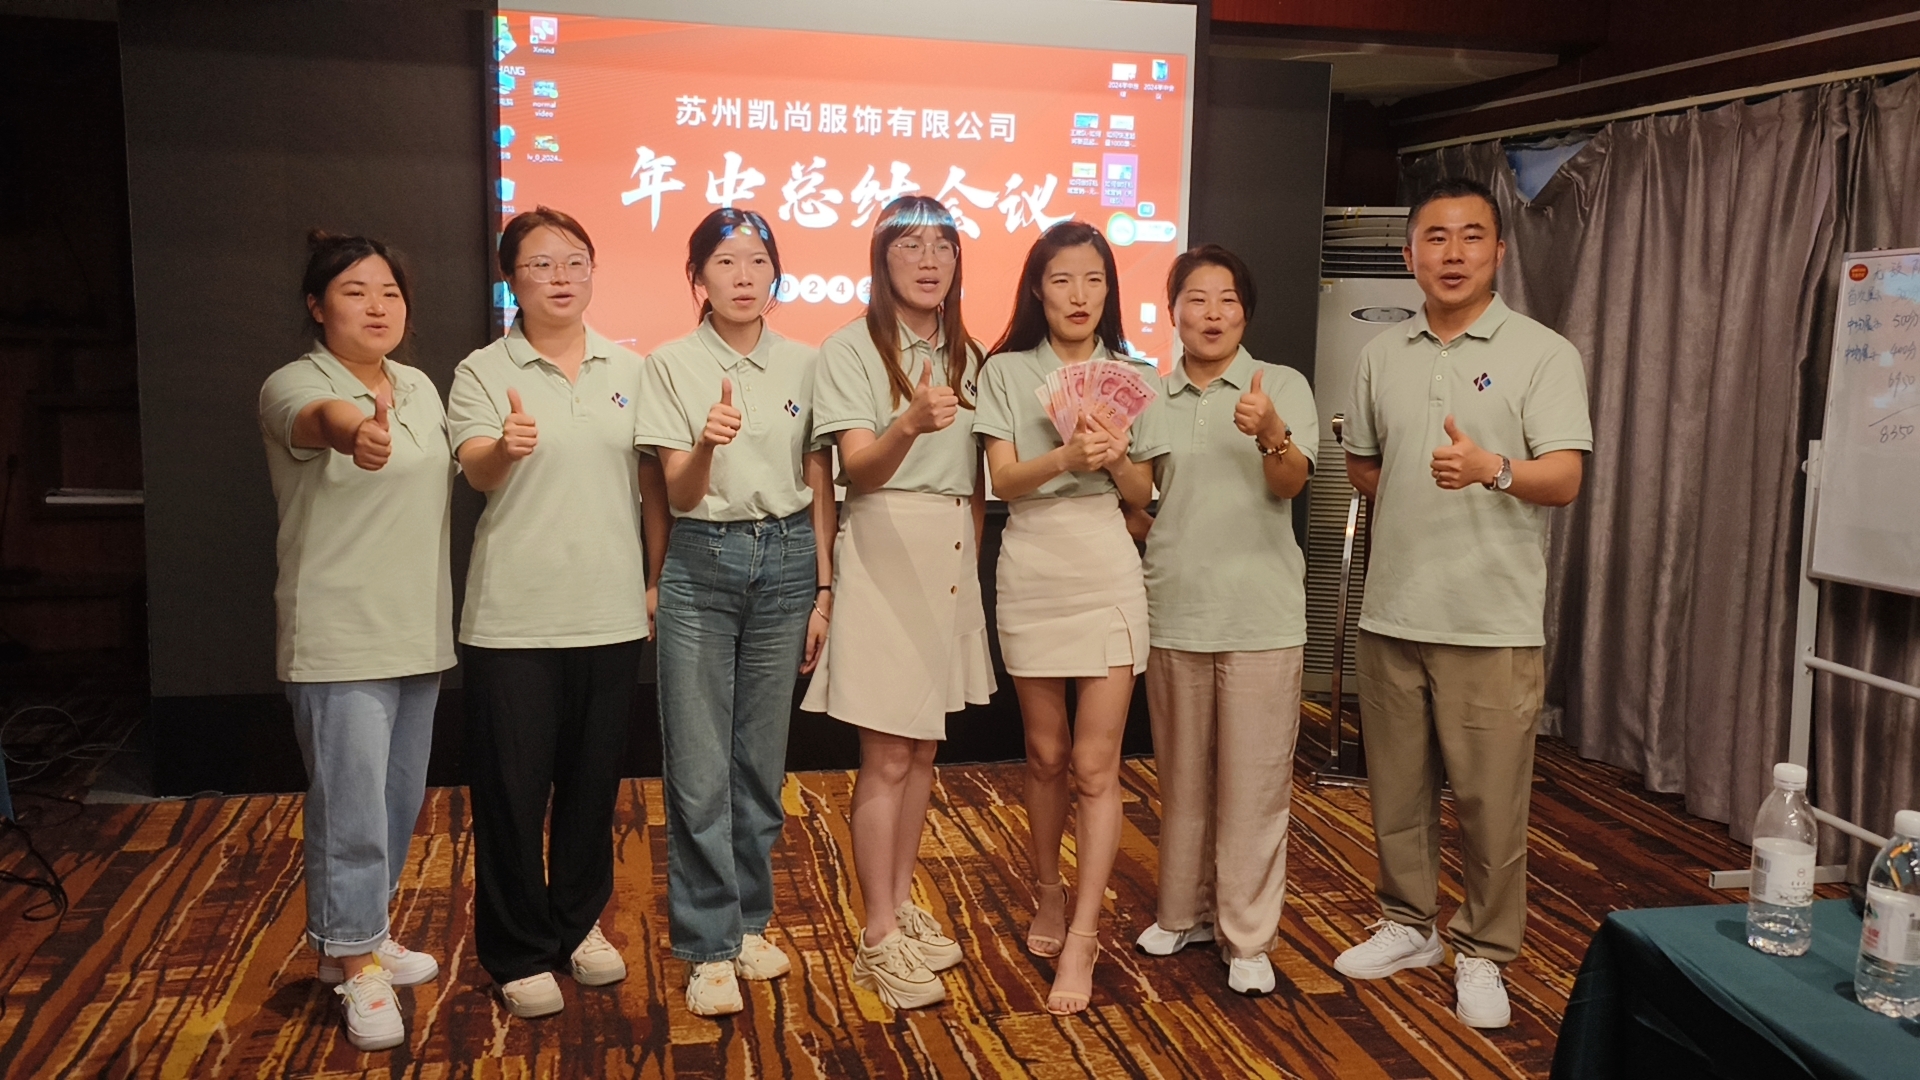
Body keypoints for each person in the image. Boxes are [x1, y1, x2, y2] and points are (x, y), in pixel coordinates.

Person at [1334, 177, 1591, 1029]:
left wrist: (1494, 470)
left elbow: (1565, 477)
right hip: (1392, 611)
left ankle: (1485, 950)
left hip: (1490, 620)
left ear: (1499, 252)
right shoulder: (1381, 353)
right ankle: (1409, 926)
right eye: (1435, 238)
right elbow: (1363, 463)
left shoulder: (1543, 353)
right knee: (1397, 792)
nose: (1453, 254)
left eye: (1471, 236)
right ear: (1410, 255)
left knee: (1490, 805)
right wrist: (1419, 494)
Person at [446, 206, 668, 1020]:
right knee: (511, 792)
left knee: (590, 786)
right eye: (540, 264)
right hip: (514, 618)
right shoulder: (482, 370)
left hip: (610, 612)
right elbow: (476, 470)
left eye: (575, 260)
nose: (561, 277)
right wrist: (504, 447)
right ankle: (516, 949)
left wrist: (654, 578)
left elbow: (652, 485)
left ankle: (578, 925)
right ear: (512, 278)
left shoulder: (631, 366)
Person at [634, 207, 835, 1019]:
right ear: (698, 278)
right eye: (725, 262)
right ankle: (708, 944)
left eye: (757, 262)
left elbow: (818, 478)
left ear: (775, 274)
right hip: (701, 562)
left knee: (759, 765)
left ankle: (748, 921)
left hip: (787, 561)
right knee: (698, 765)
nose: (744, 277)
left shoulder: (807, 363)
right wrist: (707, 444)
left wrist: (824, 588)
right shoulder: (670, 364)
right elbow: (676, 492)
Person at [799, 196, 996, 1010]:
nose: (928, 260)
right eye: (910, 245)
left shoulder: (970, 352)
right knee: (884, 755)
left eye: (942, 246)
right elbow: (859, 470)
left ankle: (901, 901)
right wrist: (910, 421)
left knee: (922, 751)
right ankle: (876, 935)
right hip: (884, 545)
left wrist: (971, 562)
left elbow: (977, 482)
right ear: (882, 260)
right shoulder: (849, 347)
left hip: (950, 550)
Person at [258, 230, 453, 1051]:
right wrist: (355, 434)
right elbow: (324, 422)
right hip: (340, 635)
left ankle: (363, 934)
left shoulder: (419, 386)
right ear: (317, 306)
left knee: (396, 802)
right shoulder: (296, 383)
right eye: (355, 292)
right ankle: (355, 961)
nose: (377, 307)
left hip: (418, 630)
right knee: (349, 809)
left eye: (390, 293)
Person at [974, 220, 1168, 1015]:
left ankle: (1084, 933)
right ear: (1037, 289)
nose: (1079, 295)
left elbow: (1143, 494)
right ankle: (1048, 892)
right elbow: (1003, 482)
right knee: (1046, 754)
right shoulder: (1005, 370)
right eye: (1062, 279)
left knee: (1095, 765)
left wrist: (1116, 459)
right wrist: (1065, 456)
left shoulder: (1135, 373)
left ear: (1109, 289)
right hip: (1032, 564)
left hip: (1106, 566)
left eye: (1093, 279)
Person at [1134, 244, 1317, 996]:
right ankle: (1183, 912)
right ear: (1173, 311)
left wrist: (1271, 429)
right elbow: (1138, 499)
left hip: (1261, 615)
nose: (1212, 314)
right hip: (1175, 608)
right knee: (1182, 778)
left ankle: (1247, 936)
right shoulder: (1148, 394)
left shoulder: (1282, 385)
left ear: (1246, 312)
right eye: (1196, 300)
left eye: (1227, 300)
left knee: (1255, 786)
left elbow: (1291, 484)